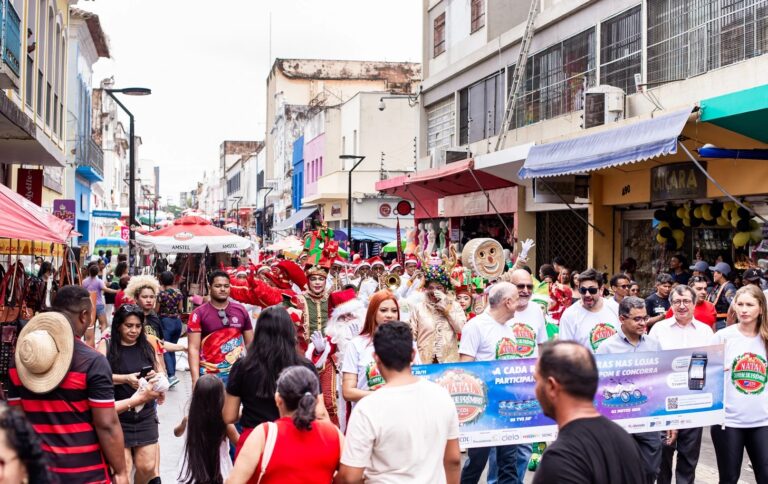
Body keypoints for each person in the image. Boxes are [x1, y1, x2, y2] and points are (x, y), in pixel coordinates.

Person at [7, 286, 129, 483]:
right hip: (86, 475)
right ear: (84, 315)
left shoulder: (19, 362)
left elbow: (17, 423)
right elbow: (106, 425)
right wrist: (121, 472)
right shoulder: (92, 362)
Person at [336, 322, 461, 484]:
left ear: (376, 358)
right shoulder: (442, 396)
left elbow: (349, 477)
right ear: (412, 355)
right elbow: (453, 460)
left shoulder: (368, 407)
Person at [532, 341, 646, 484]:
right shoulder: (624, 439)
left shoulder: (560, 459)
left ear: (551, 386)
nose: (534, 390)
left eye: (536, 381)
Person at [224, 306, 324, 456]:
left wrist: (249, 410)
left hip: (254, 442)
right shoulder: (305, 367)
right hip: (294, 441)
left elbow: (228, 415)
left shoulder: (242, 366)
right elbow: (319, 413)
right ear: (290, 333)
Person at [227, 366, 343, 483]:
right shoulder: (334, 435)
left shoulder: (264, 435)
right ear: (316, 401)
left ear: (278, 399)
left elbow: (234, 481)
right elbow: (350, 477)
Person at [459, 282, 524, 484]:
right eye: (517, 298)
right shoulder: (476, 326)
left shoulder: (508, 329)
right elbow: (464, 369)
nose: (521, 301)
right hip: (483, 410)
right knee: (477, 462)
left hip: (508, 406)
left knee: (509, 463)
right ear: (508, 302)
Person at [651, 285, 713, 484]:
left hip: (694, 402)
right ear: (671, 305)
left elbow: (713, 366)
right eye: (677, 301)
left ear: (694, 304)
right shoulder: (658, 330)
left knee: (689, 457)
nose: (682, 306)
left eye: (686, 301)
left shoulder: (705, 332)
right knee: (663, 455)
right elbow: (652, 367)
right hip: (664, 402)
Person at [596, 297, 662, 484]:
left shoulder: (653, 345)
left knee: (650, 470)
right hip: (618, 420)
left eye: (645, 318)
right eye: (637, 319)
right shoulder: (606, 348)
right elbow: (600, 386)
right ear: (622, 319)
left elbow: (660, 381)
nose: (643, 323)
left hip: (648, 418)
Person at [99, 304, 165, 484]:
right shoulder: (106, 346)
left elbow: (160, 373)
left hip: (145, 415)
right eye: (129, 326)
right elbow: (97, 379)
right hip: (117, 416)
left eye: (137, 326)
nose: (134, 330)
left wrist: (156, 380)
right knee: (124, 470)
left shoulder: (147, 346)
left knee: (147, 467)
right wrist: (125, 379)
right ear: (119, 325)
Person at [709, 285, 768, 483]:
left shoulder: (766, 338)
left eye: (749, 305)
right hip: (728, 421)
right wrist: (715, 372)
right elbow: (700, 375)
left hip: (763, 421)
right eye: (740, 304)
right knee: (729, 478)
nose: (743, 309)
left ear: (761, 308)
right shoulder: (722, 336)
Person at [306, 288, 365, 431]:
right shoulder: (336, 335)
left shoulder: (370, 331)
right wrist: (320, 350)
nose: (348, 320)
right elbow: (325, 347)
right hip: (345, 383)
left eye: (351, 315)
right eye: (343, 317)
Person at [189, 270, 254, 386]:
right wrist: (195, 380)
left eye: (226, 286)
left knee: (233, 405)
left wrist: (255, 371)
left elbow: (251, 344)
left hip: (237, 375)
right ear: (210, 287)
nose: (223, 289)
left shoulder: (241, 310)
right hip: (209, 376)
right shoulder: (198, 313)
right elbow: (193, 348)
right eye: (218, 286)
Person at [342, 290, 408, 404]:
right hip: (368, 414)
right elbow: (348, 392)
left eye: (394, 311)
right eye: (383, 310)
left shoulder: (409, 343)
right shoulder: (356, 345)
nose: (389, 315)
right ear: (373, 312)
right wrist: (384, 396)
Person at [178, 374, 234, 483]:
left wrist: (183, 423)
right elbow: (240, 443)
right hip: (220, 472)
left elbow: (176, 433)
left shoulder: (190, 420)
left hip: (193, 471)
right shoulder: (225, 424)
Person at [410, 270, 466, 364]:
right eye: (431, 288)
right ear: (426, 289)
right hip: (424, 361)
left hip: (448, 361)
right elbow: (411, 336)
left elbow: (461, 329)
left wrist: (447, 308)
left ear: (445, 289)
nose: (434, 291)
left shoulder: (454, 305)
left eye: (439, 288)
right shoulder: (418, 307)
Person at [558, 269, 620, 353]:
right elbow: (565, 351)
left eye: (592, 290)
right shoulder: (569, 316)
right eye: (583, 290)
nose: (587, 294)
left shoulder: (615, 308)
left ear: (601, 289)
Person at [157, 271, 184, 388]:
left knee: (165, 348)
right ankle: (172, 374)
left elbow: (156, 310)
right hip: (177, 322)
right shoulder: (178, 293)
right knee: (172, 347)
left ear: (161, 281)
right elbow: (180, 309)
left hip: (166, 322)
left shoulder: (161, 295)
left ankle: (171, 375)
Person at [125, 275, 165, 341]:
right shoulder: (129, 317)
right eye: (144, 297)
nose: (149, 300)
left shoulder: (155, 318)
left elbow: (161, 342)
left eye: (152, 297)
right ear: (136, 298)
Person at [82, 262, 118, 334]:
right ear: (98, 272)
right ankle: (103, 339)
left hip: (88, 305)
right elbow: (107, 290)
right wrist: (117, 291)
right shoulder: (99, 281)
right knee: (103, 323)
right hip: (99, 305)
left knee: (90, 325)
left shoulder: (84, 281)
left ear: (89, 271)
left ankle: (89, 341)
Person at [708, 262, 737, 330]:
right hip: (714, 322)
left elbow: (734, 305)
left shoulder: (729, 287)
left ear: (721, 274)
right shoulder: (718, 286)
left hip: (722, 324)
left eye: (715, 272)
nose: (713, 274)